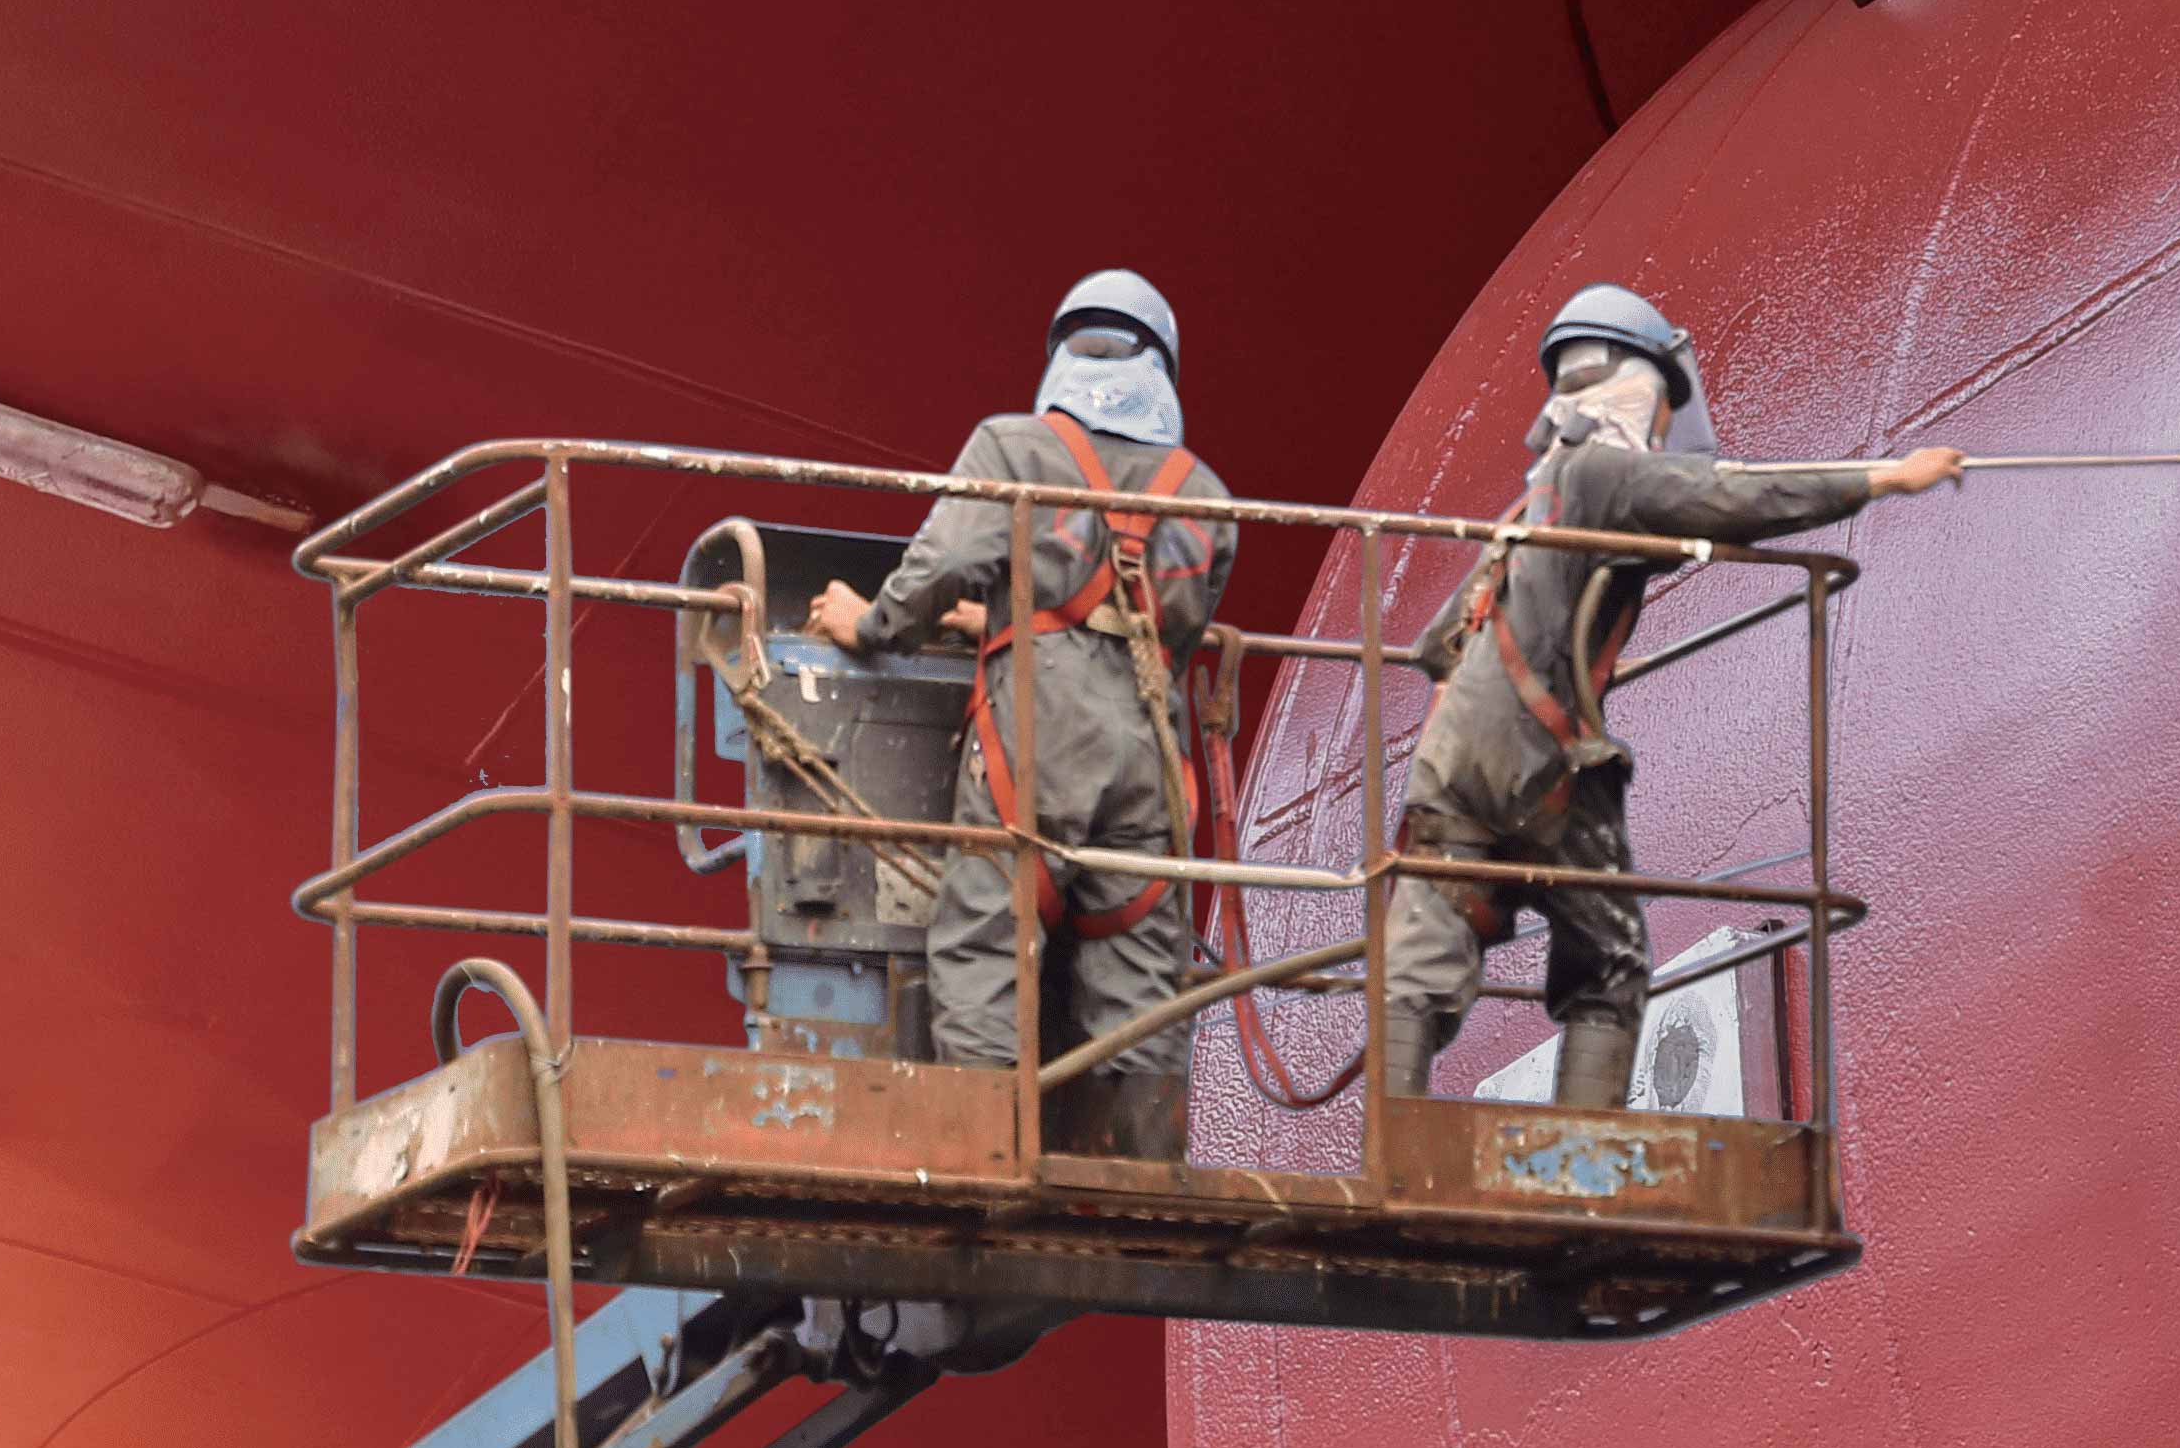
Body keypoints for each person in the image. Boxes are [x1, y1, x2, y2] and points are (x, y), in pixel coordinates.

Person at [1379, 284, 1959, 1107]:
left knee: (1427, 946)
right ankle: (1583, 1152)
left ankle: (1390, 1129)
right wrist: (1884, 479)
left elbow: (1435, 642)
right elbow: (1731, 500)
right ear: (1641, 387)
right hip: (1540, 754)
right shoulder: (1608, 474)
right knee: (1608, 955)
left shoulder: (1528, 507)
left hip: (1449, 757)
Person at [810, 269, 1235, 1155]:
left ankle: (986, 1156)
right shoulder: (1206, 496)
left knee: (984, 941)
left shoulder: (1011, 448)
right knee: (1144, 967)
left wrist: (875, 626)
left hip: (1041, 746)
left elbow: (937, 569)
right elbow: (1163, 631)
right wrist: (1005, 615)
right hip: (1152, 765)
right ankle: (1150, 1176)